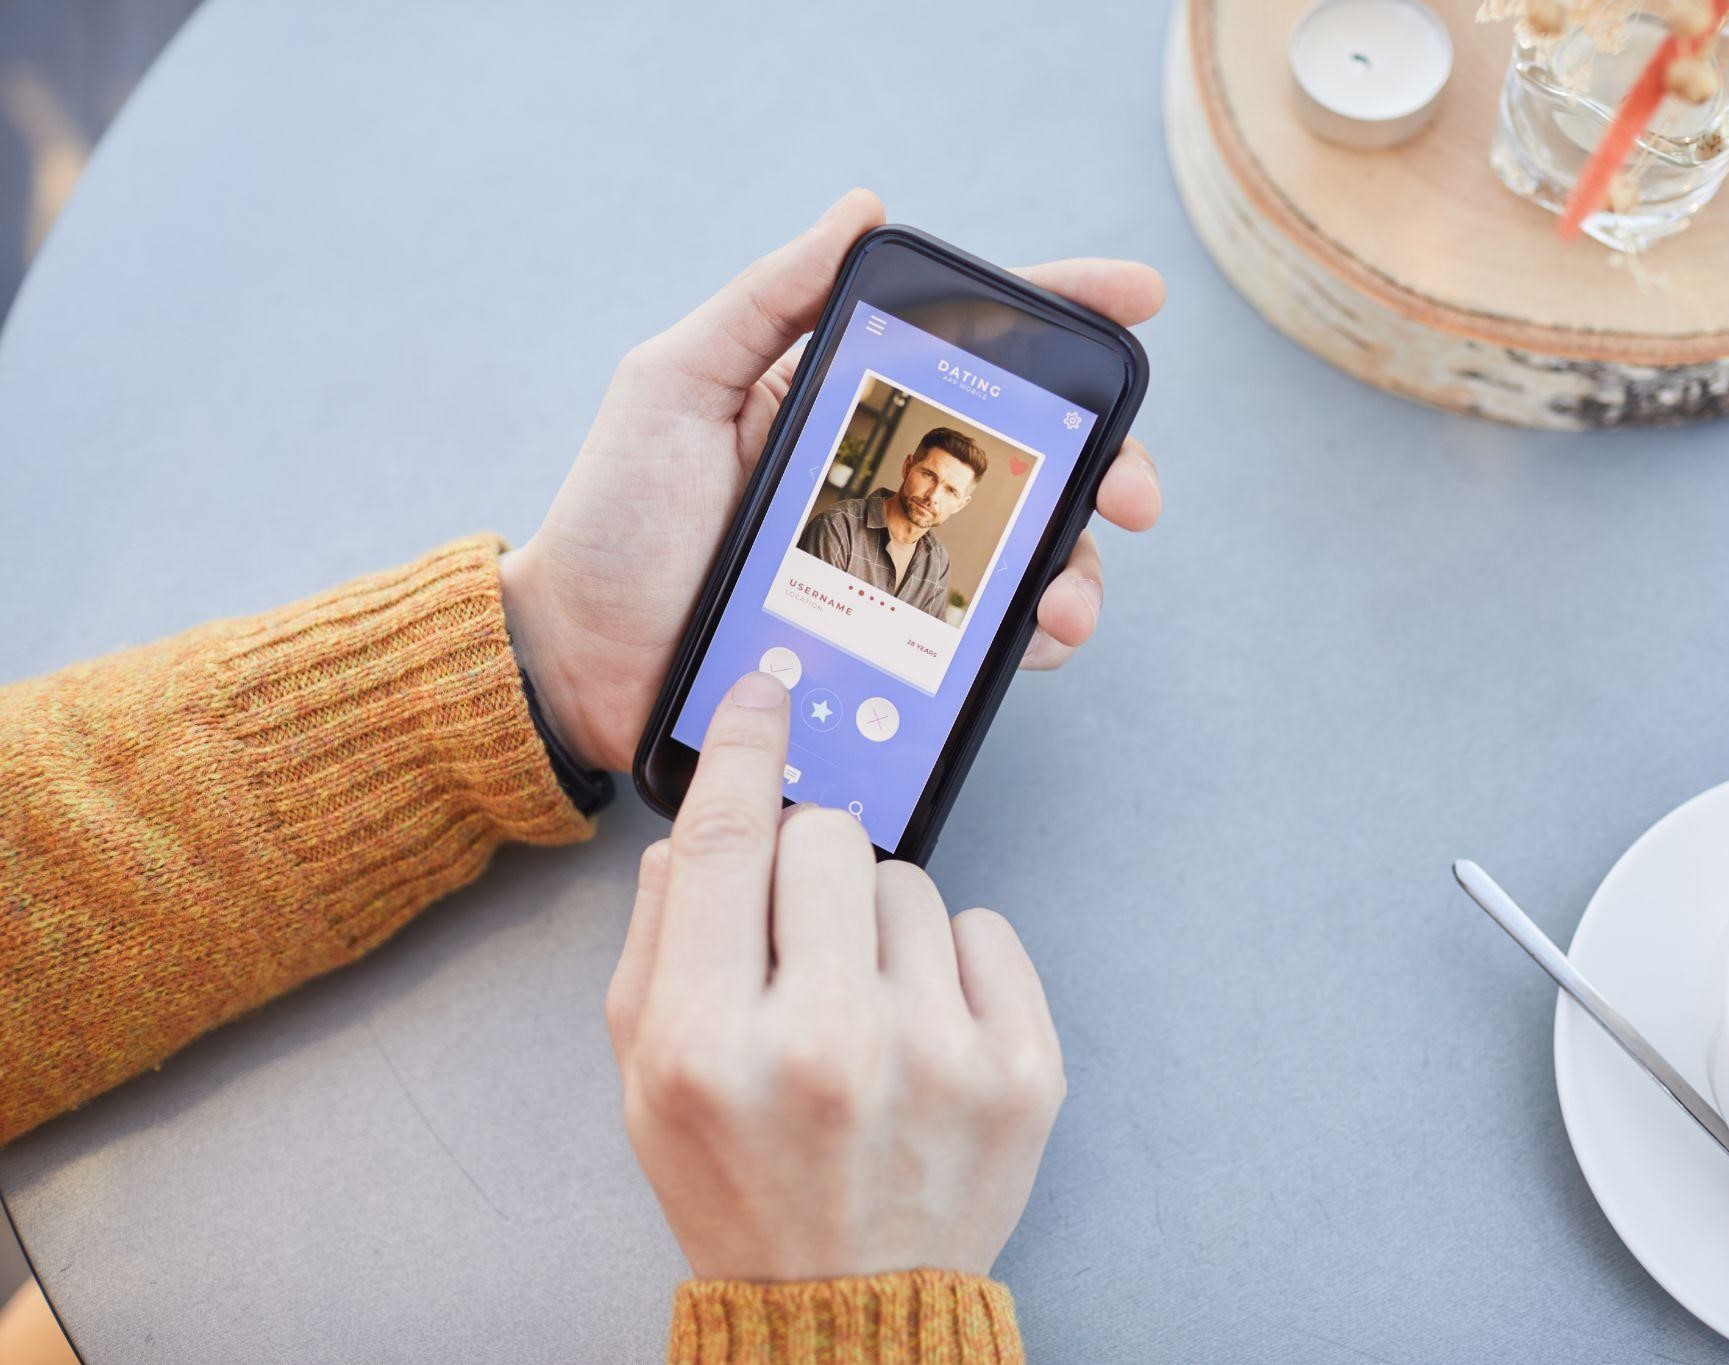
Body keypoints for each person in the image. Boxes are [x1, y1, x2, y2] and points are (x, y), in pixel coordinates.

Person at [0, 188, 1165, 1363]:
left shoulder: (934, 581)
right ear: (909, 465)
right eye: (931, 476)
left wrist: (544, 649)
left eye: (962, 494)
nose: (938, 498)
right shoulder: (834, 522)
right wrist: (843, 1319)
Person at [797, 426, 986, 620]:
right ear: (907, 467)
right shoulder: (837, 526)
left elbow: (923, 637)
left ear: (961, 505)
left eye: (951, 491)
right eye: (929, 475)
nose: (933, 496)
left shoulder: (938, 562)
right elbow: (803, 618)